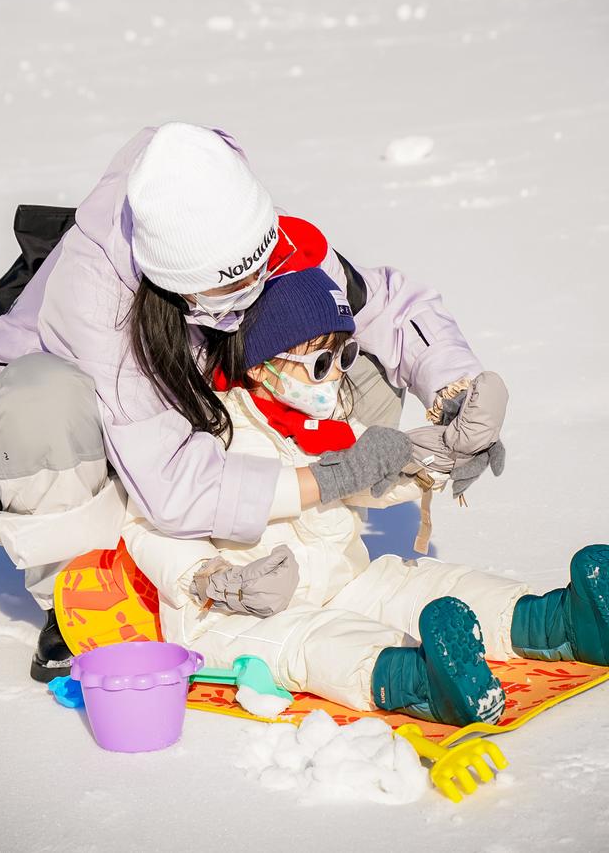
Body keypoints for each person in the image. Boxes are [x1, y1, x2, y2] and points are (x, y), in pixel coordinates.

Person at [0, 122, 506, 681]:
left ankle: (295, 546)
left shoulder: (235, 219)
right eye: (229, 288)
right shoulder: (95, 296)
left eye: (260, 266)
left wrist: (457, 390)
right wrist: (329, 478)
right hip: (54, 446)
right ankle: (83, 596)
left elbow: (388, 309)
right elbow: (171, 485)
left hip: (189, 419)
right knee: (43, 404)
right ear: (171, 280)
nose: (253, 286)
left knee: (343, 344)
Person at [118, 268, 609, 725]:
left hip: (342, 580)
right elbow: (147, 520)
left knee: (420, 586)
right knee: (317, 643)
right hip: (238, 615)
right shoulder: (210, 432)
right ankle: (418, 681)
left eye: (344, 357)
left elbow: (369, 474)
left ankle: (557, 621)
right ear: (264, 367)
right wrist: (212, 578)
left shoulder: (319, 424)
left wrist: (435, 458)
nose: (336, 376)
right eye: (321, 363)